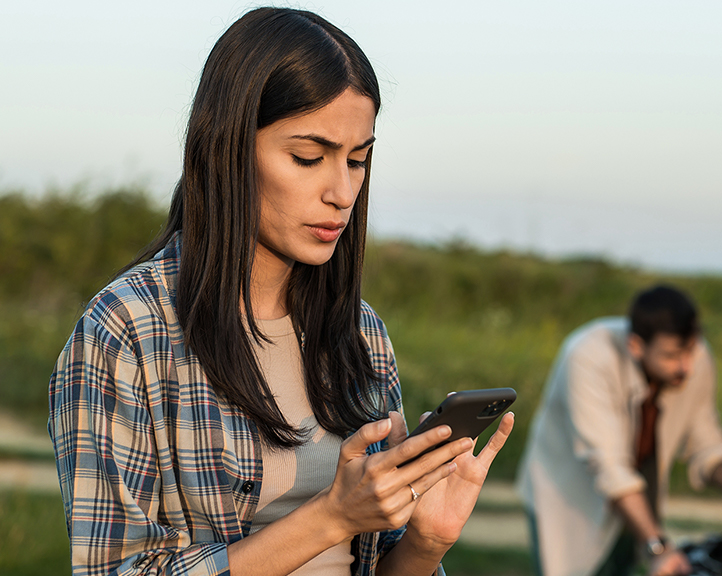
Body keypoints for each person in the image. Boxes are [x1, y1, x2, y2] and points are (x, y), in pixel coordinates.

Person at [48, 8, 513, 576]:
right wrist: (331, 518)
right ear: (227, 147)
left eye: (358, 160)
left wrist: (425, 543)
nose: (342, 192)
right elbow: (114, 569)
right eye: (308, 158)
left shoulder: (360, 333)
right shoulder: (127, 329)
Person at [516, 285, 722, 576]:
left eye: (690, 351)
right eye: (671, 356)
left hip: (636, 506)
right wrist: (658, 548)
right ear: (636, 346)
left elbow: (706, 444)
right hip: (570, 495)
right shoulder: (587, 356)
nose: (685, 368)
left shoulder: (694, 359)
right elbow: (609, 467)